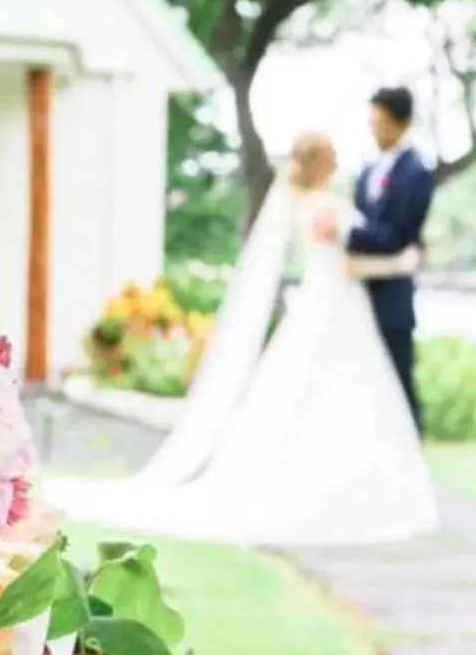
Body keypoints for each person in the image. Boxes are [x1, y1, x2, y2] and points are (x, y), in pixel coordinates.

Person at [48, 124, 438, 549]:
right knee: (341, 387)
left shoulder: (305, 204)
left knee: (320, 388)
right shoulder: (325, 207)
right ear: (321, 163)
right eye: (332, 156)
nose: (339, 163)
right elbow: (350, 261)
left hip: (327, 304)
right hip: (337, 302)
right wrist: (404, 262)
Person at [342, 85, 435, 432]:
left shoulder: (417, 173)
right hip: (355, 292)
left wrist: (343, 234)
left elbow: (399, 235)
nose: (373, 129)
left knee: (398, 377)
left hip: (393, 295)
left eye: (379, 122)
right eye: (371, 122)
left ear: (401, 123)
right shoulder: (366, 171)